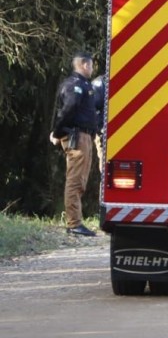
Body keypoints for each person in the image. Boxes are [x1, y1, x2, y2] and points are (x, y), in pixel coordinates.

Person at [49, 51, 99, 237]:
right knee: (75, 180)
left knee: (80, 181)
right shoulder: (73, 85)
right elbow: (68, 109)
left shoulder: (84, 85)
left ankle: (76, 221)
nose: (92, 69)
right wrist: (57, 132)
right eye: (91, 65)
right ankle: (74, 224)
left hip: (85, 137)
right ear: (84, 65)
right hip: (77, 137)